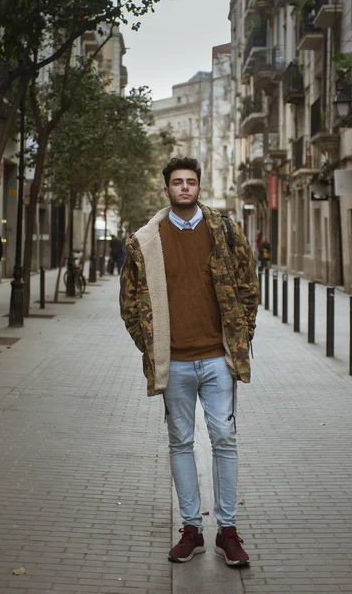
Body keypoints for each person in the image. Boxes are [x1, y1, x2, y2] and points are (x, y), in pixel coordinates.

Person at [120, 157, 259, 567]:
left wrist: (241, 333)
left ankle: (228, 531)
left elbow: (249, 285)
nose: (185, 188)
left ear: (199, 187)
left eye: (191, 182)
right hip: (174, 362)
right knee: (180, 443)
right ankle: (192, 529)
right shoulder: (145, 240)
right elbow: (129, 302)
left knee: (225, 441)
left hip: (217, 359)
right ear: (167, 189)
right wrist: (149, 346)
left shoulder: (225, 230)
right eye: (177, 182)